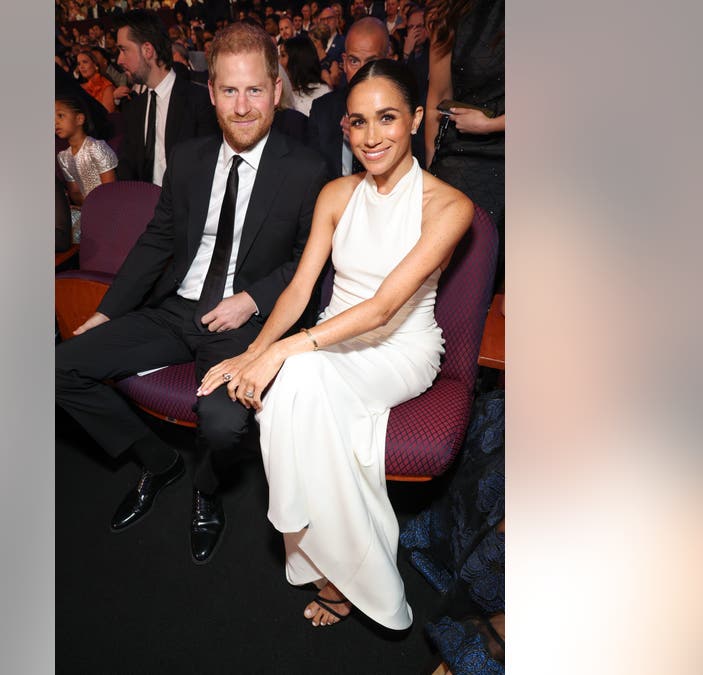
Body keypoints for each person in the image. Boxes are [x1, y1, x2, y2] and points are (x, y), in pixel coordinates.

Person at [197, 59, 472, 629]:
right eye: (358, 122)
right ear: (344, 127)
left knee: (291, 377)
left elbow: (384, 307)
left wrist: (281, 353)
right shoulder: (336, 194)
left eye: (388, 118)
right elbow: (300, 291)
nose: (372, 137)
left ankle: (315, 552)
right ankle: (338, 567)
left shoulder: (449, 206)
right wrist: (255, 352)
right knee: (292, 380)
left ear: (417, 118)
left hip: (401, 347)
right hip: (330, 337)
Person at [56, 22, 328, 564]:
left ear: (277, 90)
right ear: (212, 93)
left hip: (245, 322)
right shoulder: (189, 157)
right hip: (175, 307)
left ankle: (206, 487)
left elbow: (311, 263)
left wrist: (251, 300)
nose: (243, 106)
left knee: (225, 425)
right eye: (230, 90)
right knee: (60, 367)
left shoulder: (307, 171)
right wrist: (108, 312)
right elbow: (157, 240)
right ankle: (160, 463)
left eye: (255, 89)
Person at [424, 0, 503, 288]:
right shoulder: (450, 12)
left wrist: (493, 124)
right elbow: (439, 95)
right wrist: (434, 167)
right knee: (452, 281)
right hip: (462, 152)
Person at [111, 10, 218, 184]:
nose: (119, 60)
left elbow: (208, 172)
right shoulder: (133, 107)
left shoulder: (199, 101)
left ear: (147, 50)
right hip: (144, 206)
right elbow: (127, 170)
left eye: (124, 50)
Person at [305, 16, 390, 177]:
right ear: (344, 62)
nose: (362, 73)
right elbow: (312, 178)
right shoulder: (322, 110)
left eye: (371, 62)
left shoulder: (402, 113)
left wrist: (366, 144)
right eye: (354, 61)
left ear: (387, 60)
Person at [55, 95, 119, 242]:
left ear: (79, 119)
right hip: (88, 210)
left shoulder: (95, 147)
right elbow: (75, 192)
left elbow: (110, 189)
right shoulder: (63, 156)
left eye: (60, 115)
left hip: (109, 209)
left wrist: (96, 211)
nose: (55, 122)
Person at [282, 35, 331, 115]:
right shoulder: (281, 94)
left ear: (297, 60)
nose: (279, 60)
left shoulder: (322, 93)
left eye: (283, 55)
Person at [75, 48, 117, 112]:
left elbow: (108, 113)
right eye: (79, 64)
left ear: (95, 65)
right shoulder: (80, 87)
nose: (81, 67)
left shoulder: (106, 85)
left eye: (85, 62)